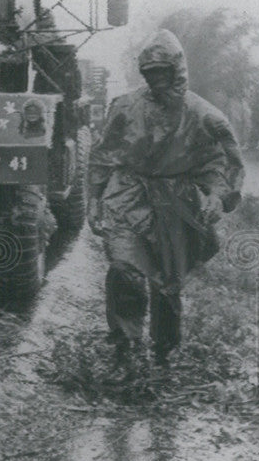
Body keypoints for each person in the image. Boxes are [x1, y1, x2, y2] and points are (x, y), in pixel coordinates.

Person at [87, 29, 244, 369]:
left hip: (176, 201)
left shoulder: (205, 116)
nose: (156, 79)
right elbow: (102, 155)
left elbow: (222, 163)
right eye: (150, 72)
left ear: (177, 71)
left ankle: (165, 351)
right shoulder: (125, 107)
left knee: (167, 280)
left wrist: (217, 197)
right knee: (123, 267)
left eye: (163, 71)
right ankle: (125, 344)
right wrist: (94, 198)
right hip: (127, 195)